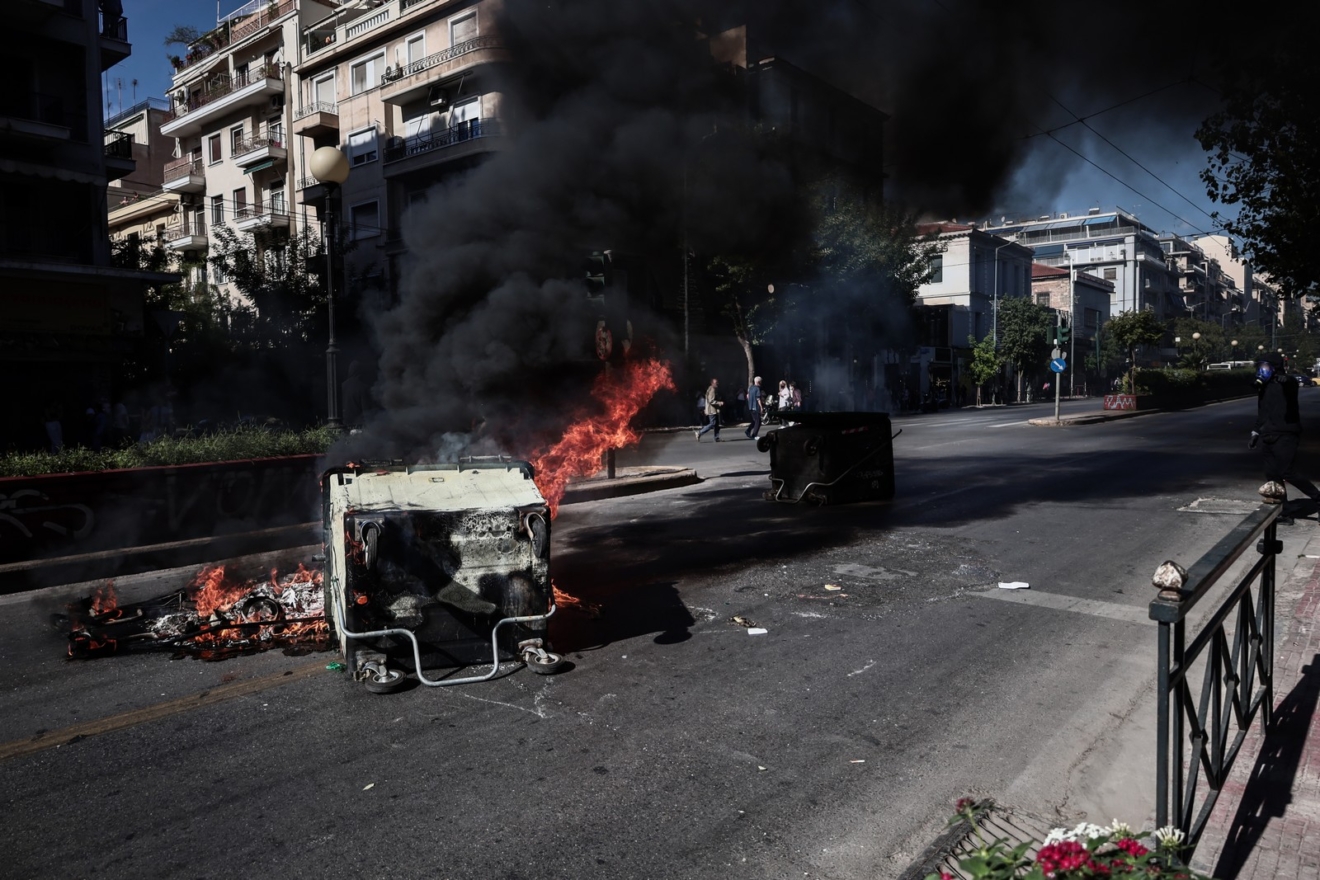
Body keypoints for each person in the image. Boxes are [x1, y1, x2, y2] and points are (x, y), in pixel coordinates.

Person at [1251, 351, 1320, 525]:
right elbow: (1263, 410)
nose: (1262, 370)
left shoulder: (1287, 384)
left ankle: (1318, 498)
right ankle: (1284, 511)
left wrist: (1285, 379)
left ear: (1275, 367)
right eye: (1260, 366)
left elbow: (1291, 384)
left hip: (1285, 433)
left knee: (1286, 471)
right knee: (1272, 475)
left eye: (1265, 366)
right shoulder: (1264, 386)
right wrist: (1256, 431)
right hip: (1267, 433)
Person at [696, 378, 723, 442]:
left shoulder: (710, 389)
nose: (717, 384)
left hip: (713, 410)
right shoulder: (712, 390)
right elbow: (711, 401)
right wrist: (719, 403)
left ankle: (716, 437)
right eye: (716, 383)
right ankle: (699, 433)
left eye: (717, 382)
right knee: (712, 423)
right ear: (712, 383)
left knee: (716, 424)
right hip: (712, 410)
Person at [745, 376, 764, 440]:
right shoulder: (757, 388)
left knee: (754, 420)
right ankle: (754, 435)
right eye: (761, 381)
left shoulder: (750, 387)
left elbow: (747, 396)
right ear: (759, 382)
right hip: (755, 407)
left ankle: (748, 430)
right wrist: (761, 407)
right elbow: (758, 399)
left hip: (750, 406)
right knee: (758, 421)